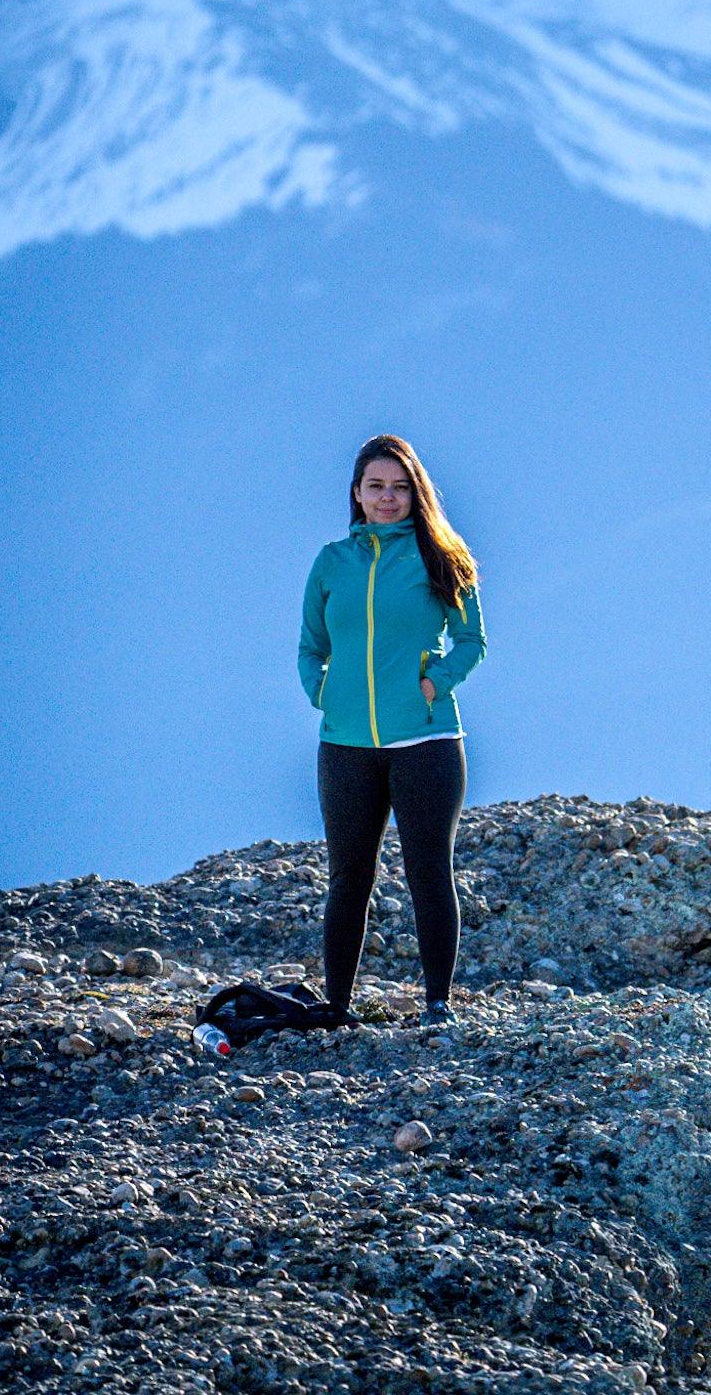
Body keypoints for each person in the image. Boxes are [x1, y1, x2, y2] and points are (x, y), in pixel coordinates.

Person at [298, 434, 487, 1029]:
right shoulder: (332, 562)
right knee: (348, 876)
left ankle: (437, 1004)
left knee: (428, 871)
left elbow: (472, 640)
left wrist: (434, 683)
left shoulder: (441, 557)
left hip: (427, 742)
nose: (388, 497)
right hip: (346, 745)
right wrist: (323, 693)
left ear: (416, 493)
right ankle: (337, 1006)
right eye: (376, 486)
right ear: (356, 493)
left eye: (400, 487)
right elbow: (310, 647)